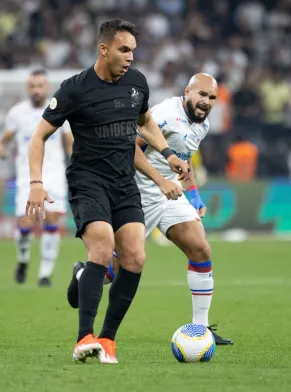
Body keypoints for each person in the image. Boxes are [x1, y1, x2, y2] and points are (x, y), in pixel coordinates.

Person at [26, 18, 189, 364]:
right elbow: (38, 136)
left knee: (135, 257)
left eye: (133, 50)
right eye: (124, 49)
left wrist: (168, 156)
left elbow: (142, 125)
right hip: (88, 181)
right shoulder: (74, 89)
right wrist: (36, 184)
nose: (130, 57)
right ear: (104, 49)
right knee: (103, 247)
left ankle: (108, 340)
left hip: (124, 184)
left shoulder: (136, 84)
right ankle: (84, 337)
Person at [66, 73, 234, 346]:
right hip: (138, 192)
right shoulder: (165, 115)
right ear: (187, 91)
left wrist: (194, 196)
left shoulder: (202, 124)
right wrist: (159, 180)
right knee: (117, 269)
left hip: (170, 194)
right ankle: (84, 274)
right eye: (201, 94)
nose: (206, 102)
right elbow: (129, 148)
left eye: (212, 97)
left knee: (201, 248)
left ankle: (200, 329)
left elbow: (183, 159)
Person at [0, 70, 73, 287]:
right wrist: (2, 147)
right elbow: (7, 136)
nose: (36, 90)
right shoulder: (16, 113)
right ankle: (23, 260)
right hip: (28, 175)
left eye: (40, 85)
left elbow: (69, 141)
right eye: (32, 86)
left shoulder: (60, 109)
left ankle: (45, 274)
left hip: (54, 173)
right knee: (25, 223)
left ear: (46, 87)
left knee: (52, 220)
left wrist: (77, 160)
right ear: (27, 88)